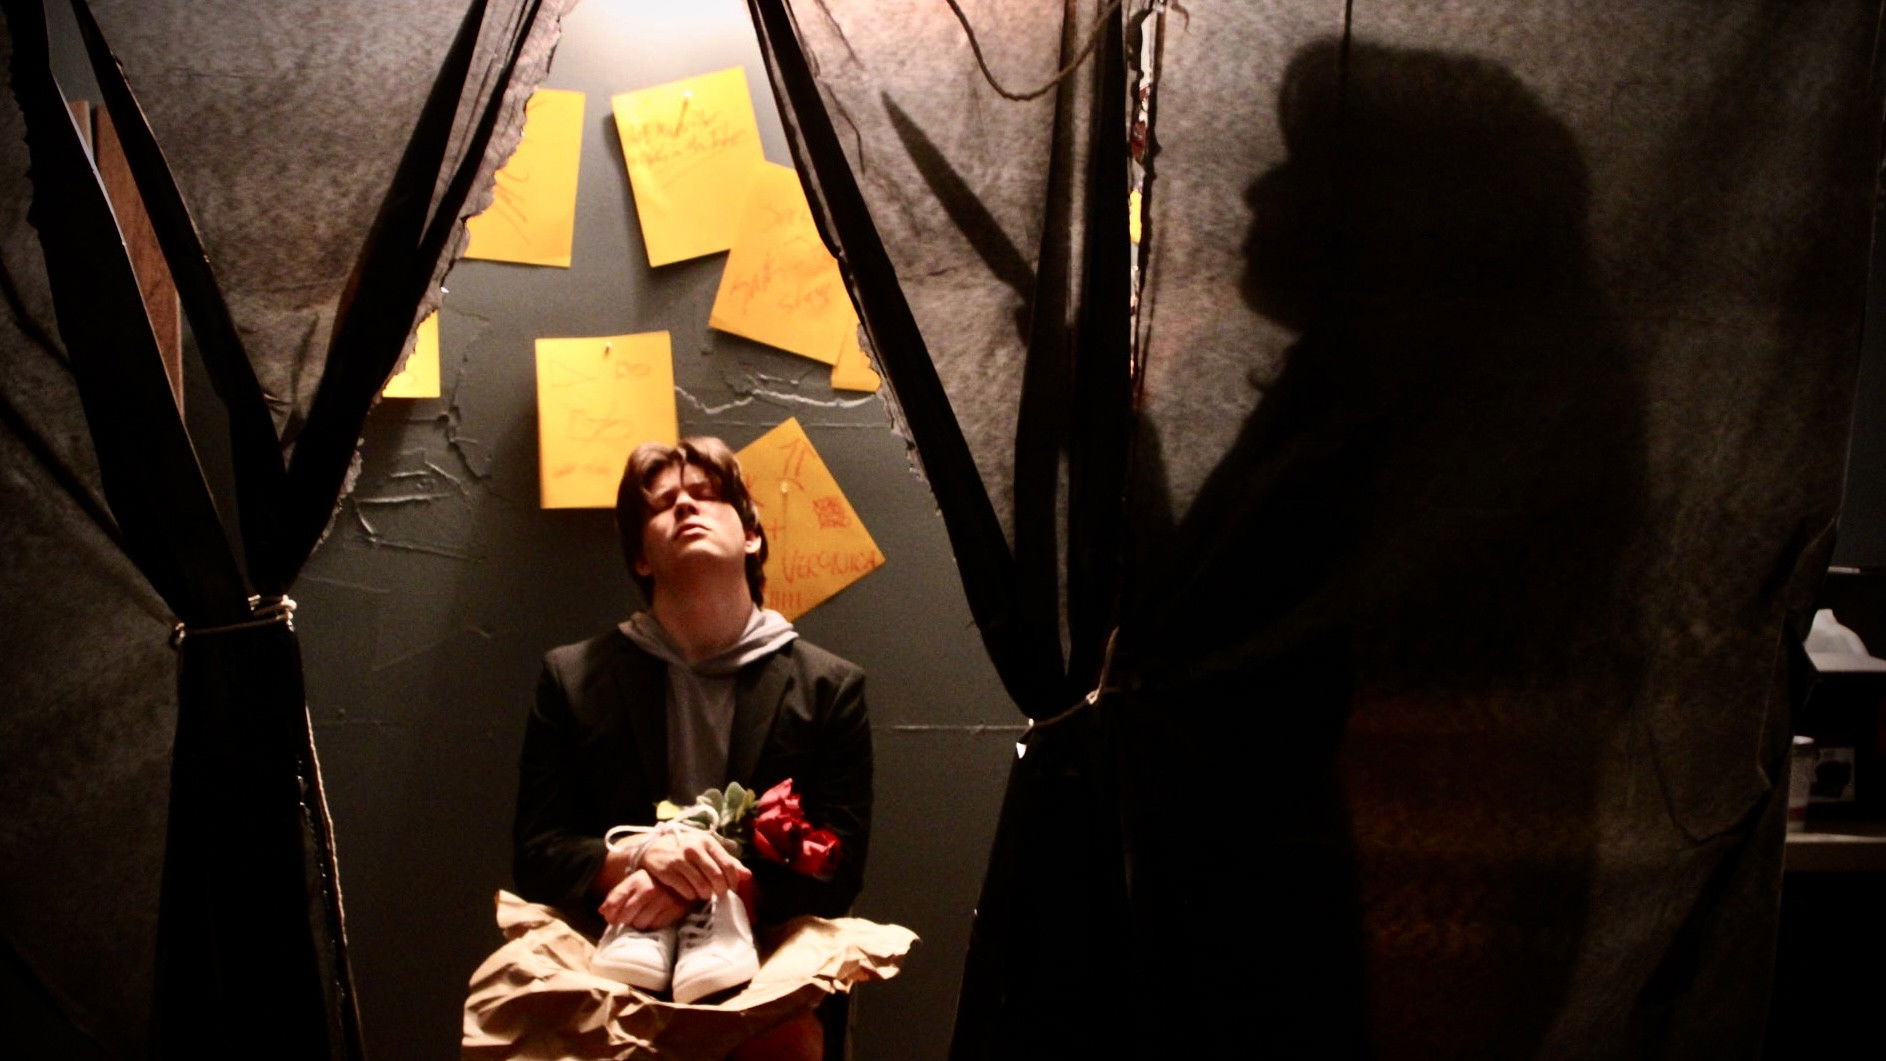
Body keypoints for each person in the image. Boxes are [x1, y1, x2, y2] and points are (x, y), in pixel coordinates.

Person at [513, 436, 872, 1054]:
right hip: (611, 977)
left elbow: (838, 871)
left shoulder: (829, 687)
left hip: (771, 981)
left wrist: (689, 884)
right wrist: (643, 856)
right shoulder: (572, 678)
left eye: (706, 495)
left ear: (752, 536)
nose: (684, 506)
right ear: (641, 559)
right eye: (662, 503)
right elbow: (537, 854)